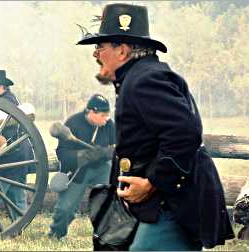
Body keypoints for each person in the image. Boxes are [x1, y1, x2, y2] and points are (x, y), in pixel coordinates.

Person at [77, 3, 235, 251]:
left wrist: (152, 182)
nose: (96, 54)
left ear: (122, 51)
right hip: (164, 201)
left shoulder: (144, 80)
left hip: (172, 201)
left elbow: (185, 134)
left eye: (101, 47)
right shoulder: (140, 76)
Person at [48, 94, 115, 239]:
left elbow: (117, 148)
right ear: (91, 112)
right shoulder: (73, 123)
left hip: (101, 169)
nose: (106, 119)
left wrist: (104, 152)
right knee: (65, 210)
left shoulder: (109, 125)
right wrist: (83, 155)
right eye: (103, 115)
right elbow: (62, 154)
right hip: (78, 170)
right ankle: (56, 234)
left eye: (107, 115)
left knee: (107, 202)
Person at [0, 70, 33, 225]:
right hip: (16, 152)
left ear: (1, 87)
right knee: (16, 190)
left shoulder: (6, 102)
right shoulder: (5, 101)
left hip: (12, 153)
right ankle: (20, 221)